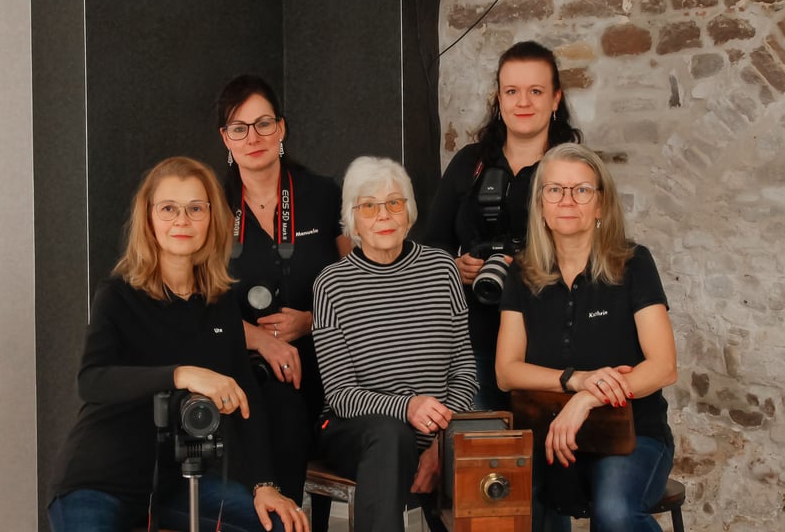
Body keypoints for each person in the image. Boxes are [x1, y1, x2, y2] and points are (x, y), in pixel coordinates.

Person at [48, 157, 307, 532]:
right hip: (97, 483)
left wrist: (264, 485)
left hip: (176, 483)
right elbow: (92, 381)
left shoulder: (220, 304)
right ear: (149, 219)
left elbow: (246, 396)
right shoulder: (117, 296)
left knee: (280, 525)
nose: (182, 221)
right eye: (168, 208)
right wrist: (183, 375)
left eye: (195, 208)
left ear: (211, 218)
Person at [495, 143, 678, 532]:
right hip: (548, 435)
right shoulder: (522, 273)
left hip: (632, 436)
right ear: (541, 205)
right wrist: (573, 379)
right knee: (489, 503)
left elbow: (663, 368)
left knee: (614, 511)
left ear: (600, 204)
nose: (567, 200)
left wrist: (587, 398)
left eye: (581, 190)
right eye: (555, 190)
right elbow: (506, 372)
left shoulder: (633, 263)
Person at [311, 156, 479, 532]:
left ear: (409, 211)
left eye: (394, 202)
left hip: (437, 428)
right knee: (391, 435)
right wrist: (407, 407)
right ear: (352, 220)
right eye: (368, 206)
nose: (383, 215)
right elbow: (340, 394)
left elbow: (465, 369)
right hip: (355, 431)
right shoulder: (331, 285)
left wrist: (441, 439)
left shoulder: (442, 270)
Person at [423, 40, 583, 412]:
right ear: (499, 98)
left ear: (556, 99)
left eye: (536, 91)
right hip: (473, 340)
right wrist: (455, 267)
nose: (522, 102)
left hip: (549, 340)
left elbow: (594, 252)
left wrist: (530, 268)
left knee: (546, 457)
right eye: (512, 91)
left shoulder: (573, 168)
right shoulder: (470, 163)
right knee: (482, 455)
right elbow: (432, 247)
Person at [216, 75, 351, 505]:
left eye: (264, 124)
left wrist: (312, 321)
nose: (252, 137)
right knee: (278, 404)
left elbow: (357, 286)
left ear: (282, 129)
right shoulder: (211, 206)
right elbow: (196, 307)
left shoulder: (325, 195)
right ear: (226, 139)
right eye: (239, 128)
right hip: (248, 366)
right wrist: (262, 341)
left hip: (329, 358)